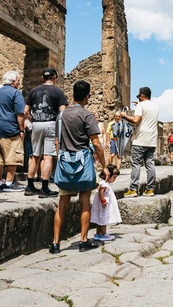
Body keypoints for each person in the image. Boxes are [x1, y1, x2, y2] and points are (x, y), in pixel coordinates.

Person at [50, 80, 109, 254]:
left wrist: (61, 159)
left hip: (65, 163)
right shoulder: (87, 115)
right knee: (85, 202)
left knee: (62, 205)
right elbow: (96, 143)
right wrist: (104, 166)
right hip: (83, 164)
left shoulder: (61, 116)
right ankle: (83, 240)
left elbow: (56, 142)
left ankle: (55, 244)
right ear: (87, 96)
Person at [25, 67, 68, 198]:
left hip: (36, 124)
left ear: (43, 78)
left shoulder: (34, 91)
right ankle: (44, 187)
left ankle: (30, 186)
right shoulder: (58, 92)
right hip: (50, 123)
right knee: (48, 156)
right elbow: (62, 113)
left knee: (34, 156)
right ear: (54, 77)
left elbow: (26, 111)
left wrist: (32, 120)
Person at [0, 70, 26, 192]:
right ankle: (8, 184)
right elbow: (20, 114)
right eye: (18, 80)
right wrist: (22, 130)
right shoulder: (16, 93)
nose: (19, 82)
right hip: (10, 129)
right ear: (13, 82)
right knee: (12, 158)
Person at [121, 86, 159, 198]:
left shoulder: (141, 106)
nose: (138, 97)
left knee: (136, 164)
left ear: (142, 96)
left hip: (140, 139)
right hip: (151, 139)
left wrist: (124, 116)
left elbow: (136, 120)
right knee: (150, 164)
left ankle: (133, 189)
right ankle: (150, 189)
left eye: (138, 96)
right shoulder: (156, 107)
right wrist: (139, 105)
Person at [91, 164, 121, 242]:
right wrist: (103, 201)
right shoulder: (104, 184)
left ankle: (98, 234)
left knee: (99, 220)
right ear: (108, 175)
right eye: (114, 177)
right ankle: (104, 234)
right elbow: (101, 191)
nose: (115, 179)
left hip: (100, 204)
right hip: (103, 204)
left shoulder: (103, 182)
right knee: (103, 219)